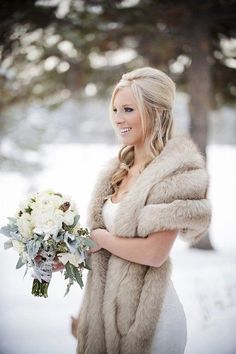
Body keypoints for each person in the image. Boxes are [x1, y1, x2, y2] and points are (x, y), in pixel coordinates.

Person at [71, 66, 212, 354]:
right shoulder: (117, 172)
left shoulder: (175, 173)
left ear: (156, 112)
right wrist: (70, 252)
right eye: (115, 109)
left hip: (149, 324)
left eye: (128, 109)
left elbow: (153, 254)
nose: (118, 119)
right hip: (107, 321)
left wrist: (99, 238)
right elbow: (111, 247)